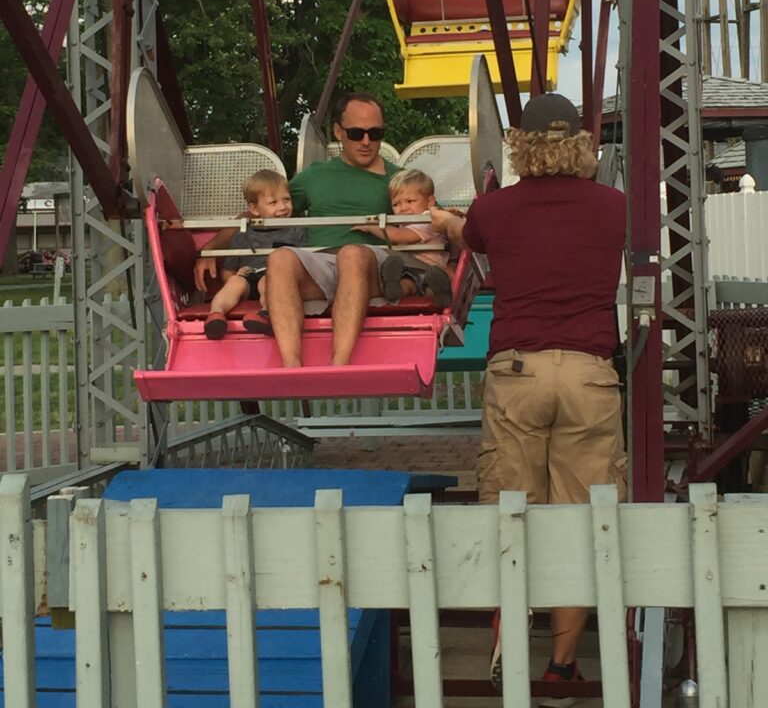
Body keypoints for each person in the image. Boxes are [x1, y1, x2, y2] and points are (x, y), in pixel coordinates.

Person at [430, 92, 626, 704]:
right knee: (582, 520)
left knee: (512, 509)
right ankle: (562, 669)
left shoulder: (494, 209)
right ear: (581, 144)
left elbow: (472, 240)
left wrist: (444, 222)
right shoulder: (615, 207)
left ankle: (510, 636)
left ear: (522, 145)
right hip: (591, 372)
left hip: (518, 370)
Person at [194, 92, 401, 366]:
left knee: (352, 254)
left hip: (369, 263)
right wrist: (211, 249)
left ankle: (340, 365)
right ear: (338, 132)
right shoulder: (315, 176)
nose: (366, 142)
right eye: (356, 133)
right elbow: (263, 209)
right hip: (318, 263)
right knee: (280, 258)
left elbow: (429, 218)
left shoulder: (399, 179)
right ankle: (292, 366)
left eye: (375, 133)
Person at [202, 169, 307, 339]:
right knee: (236, 282)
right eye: (273, 202)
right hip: (248, 279)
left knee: (267, 281)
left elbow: (303, 262)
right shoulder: (243, 234)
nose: (283, 207)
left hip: (278, 280)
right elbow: (227, 270)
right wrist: (235, 275)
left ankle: (266, 313)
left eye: (286, 199)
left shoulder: (297, 230)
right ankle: (216, 315)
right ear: (254, 209)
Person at [353, 168, 452, 308]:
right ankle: (394, 288)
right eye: (396, 204)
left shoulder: (428, 220)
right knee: (408, 282)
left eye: (410, 201)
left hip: (429, 269)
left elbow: (398, 236)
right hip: (411, 270)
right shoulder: (406, 222)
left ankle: (441, 293)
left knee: (425, 282)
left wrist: (373, 226)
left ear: (430, 201)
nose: (403, 208)